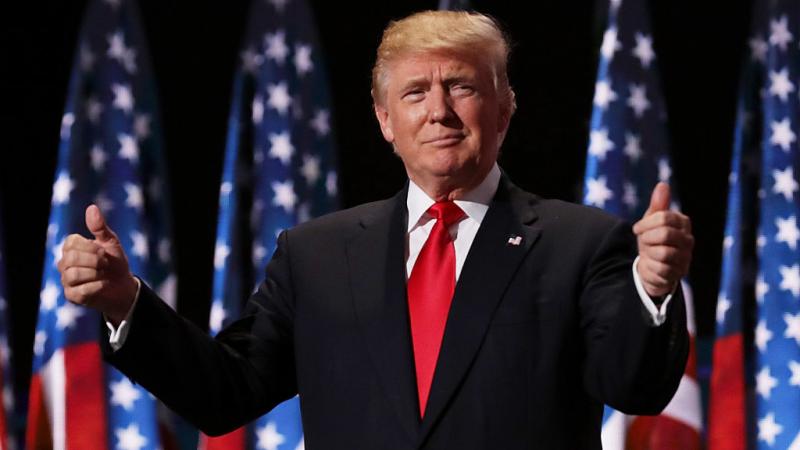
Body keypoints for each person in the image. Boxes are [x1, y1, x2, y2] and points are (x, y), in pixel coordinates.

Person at [58, 10, 693, 450]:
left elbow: (632, 387)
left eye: (462, 86)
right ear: (385, 120)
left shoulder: (579, 242)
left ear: (504, 110)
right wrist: (125, 305)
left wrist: (654, 290)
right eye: (416, 92)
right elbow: (227, 392)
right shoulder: (316, 255)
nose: (439, 110)